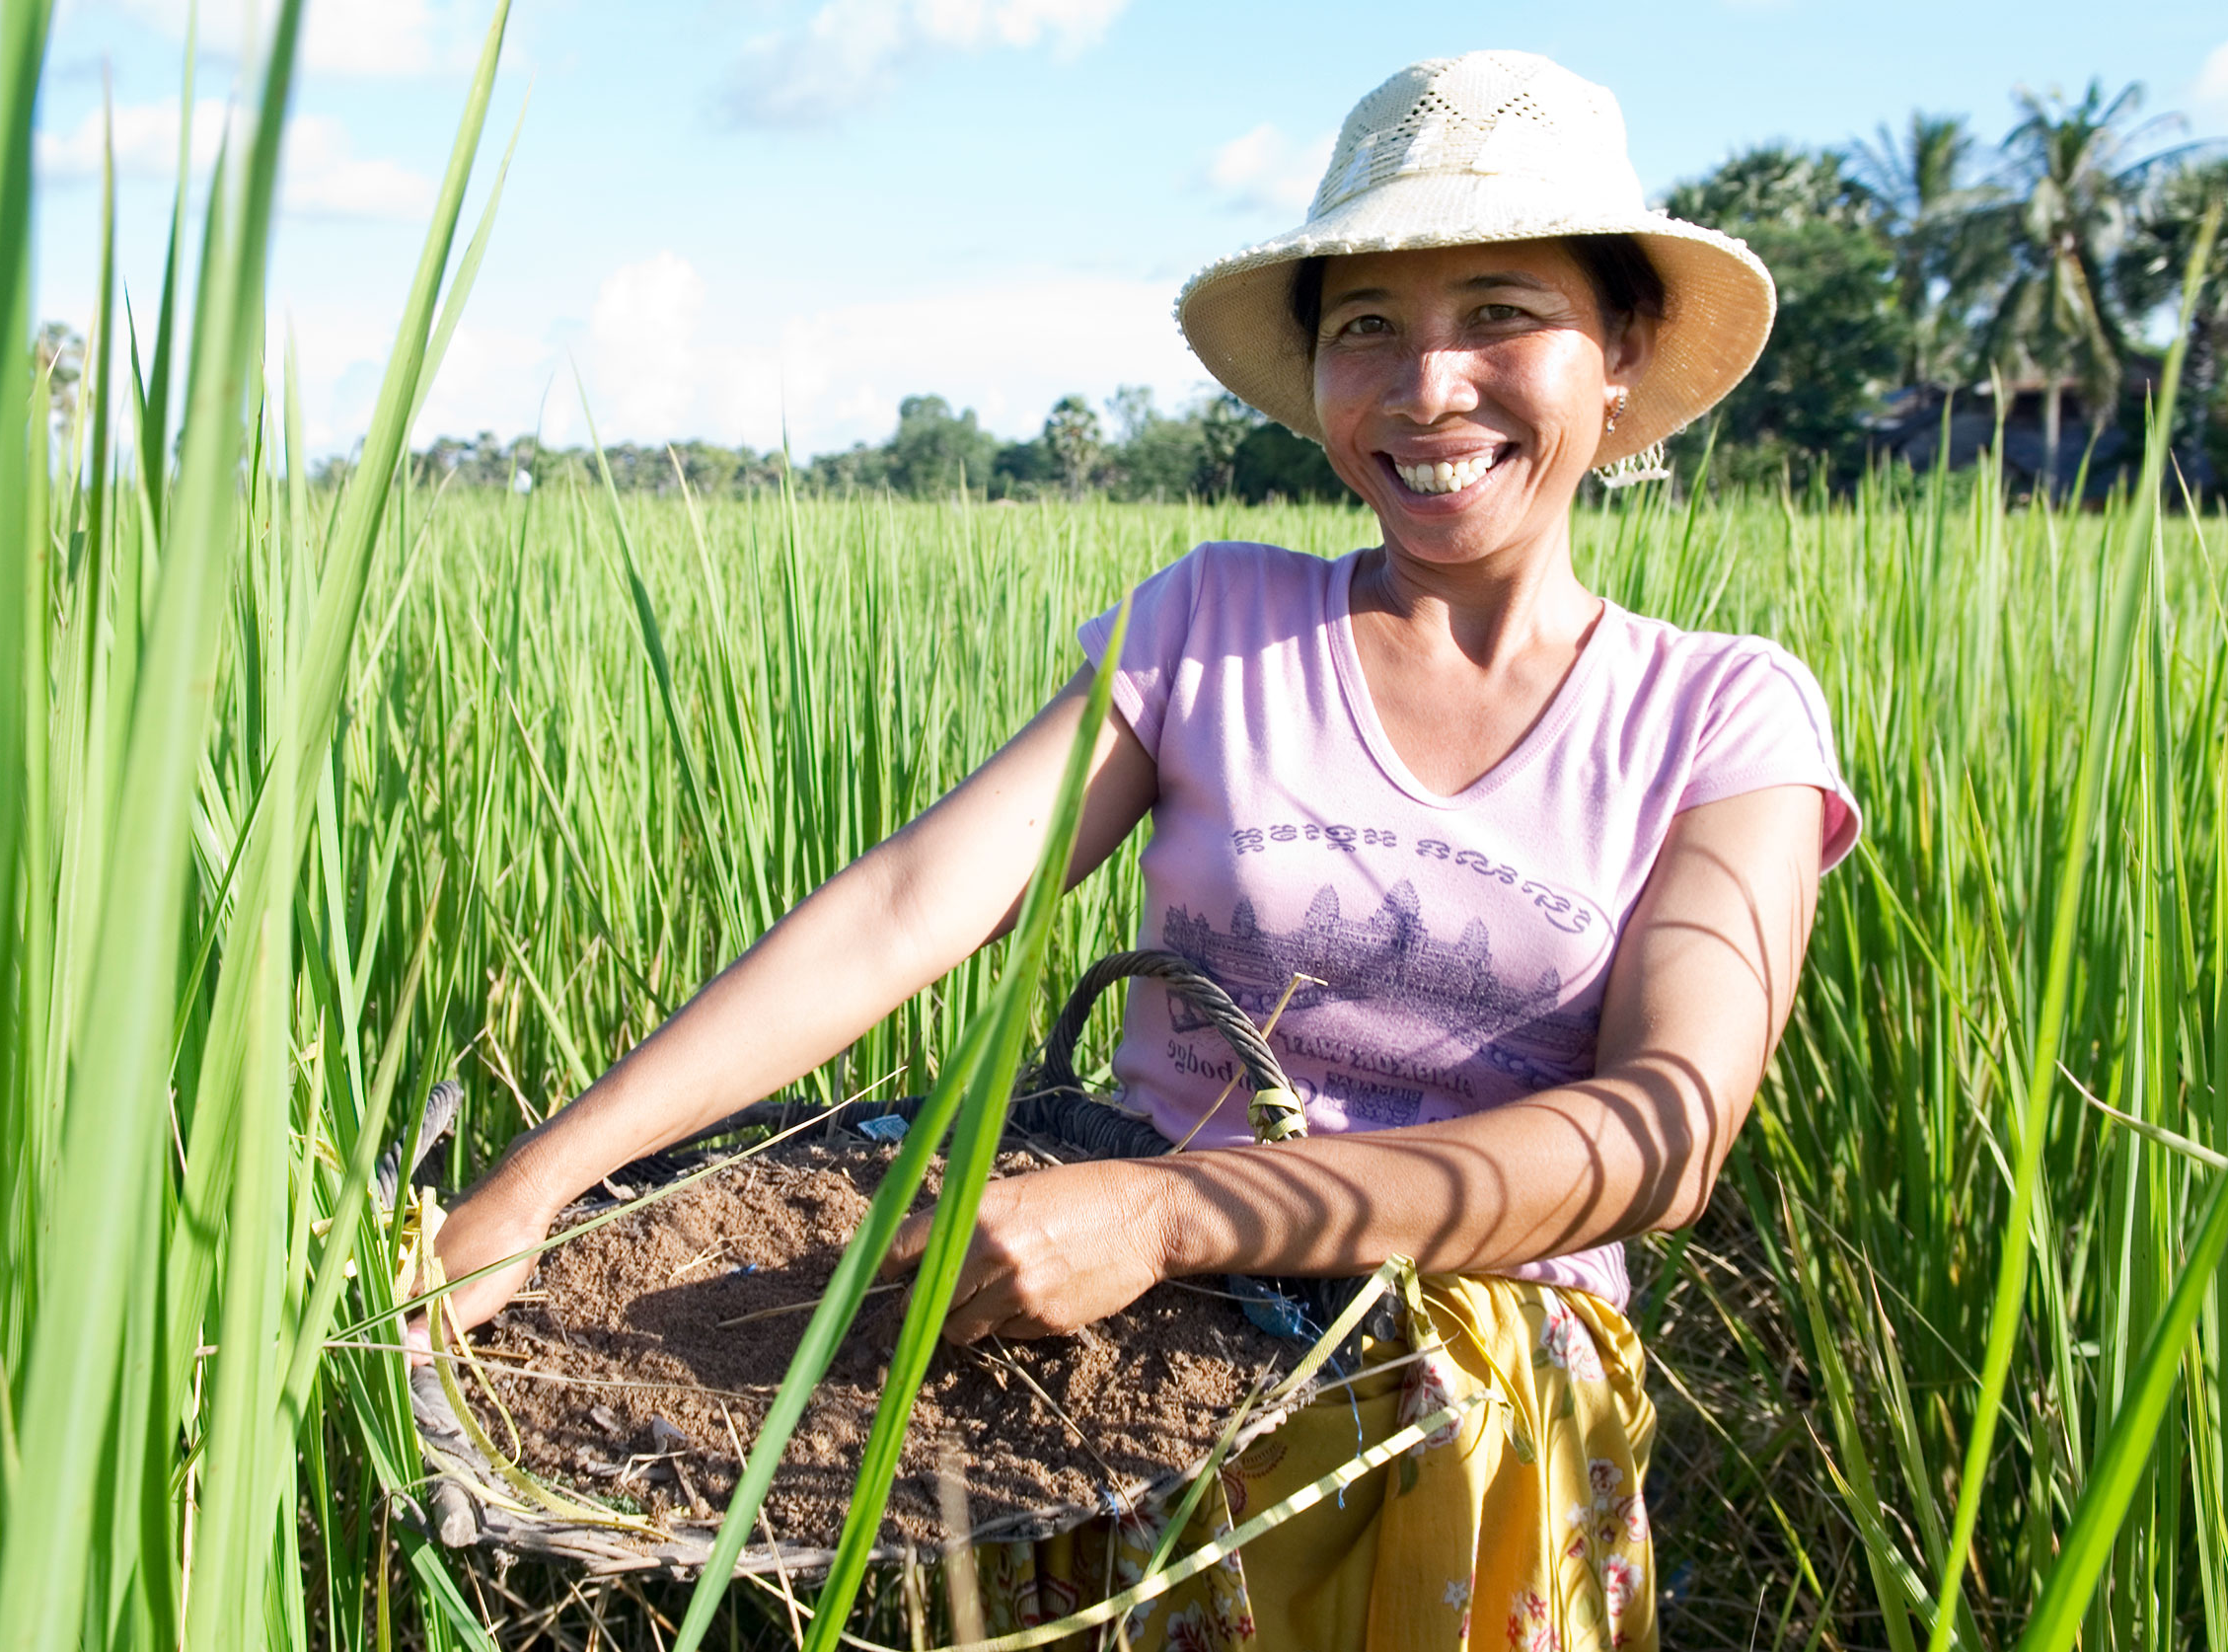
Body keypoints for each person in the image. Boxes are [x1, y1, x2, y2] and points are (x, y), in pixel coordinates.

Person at [433, 48, 1860, 1652]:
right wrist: (537, 1185)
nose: (1427, 385)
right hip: (1115, 1380)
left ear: (1623, 352)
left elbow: (1666, 1135)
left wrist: (1176, 1213)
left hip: (1463, 1432)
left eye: (1501, 313)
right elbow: (908, 905)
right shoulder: (1212, 624)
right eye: (1367, 326)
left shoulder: (1720, 713)